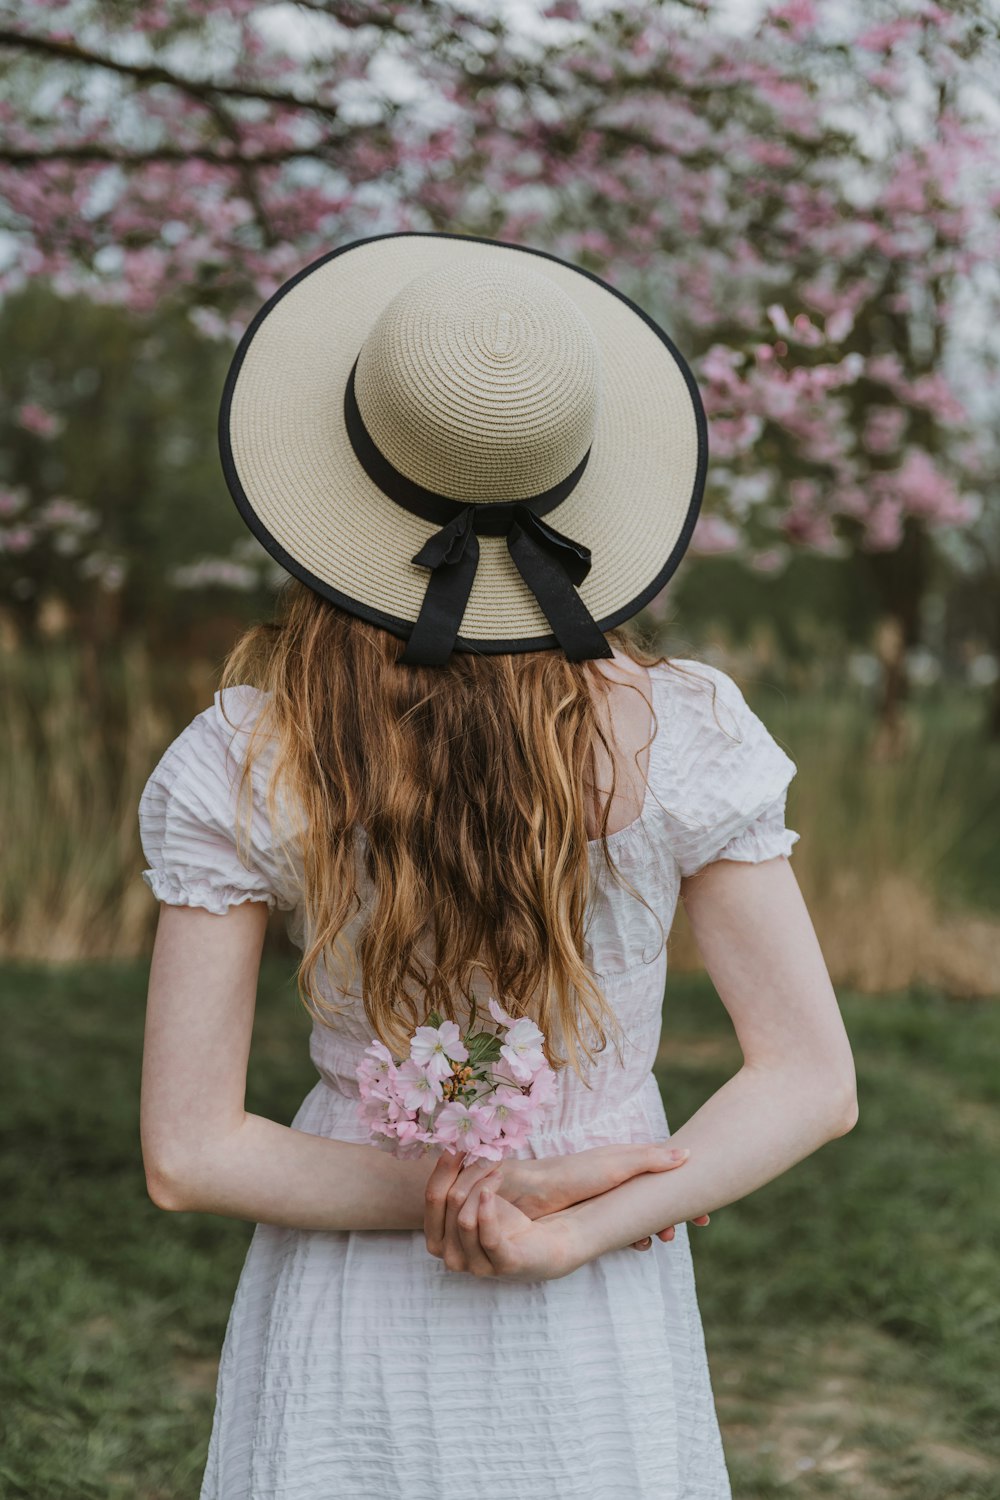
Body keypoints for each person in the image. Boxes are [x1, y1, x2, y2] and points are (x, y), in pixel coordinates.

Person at [138, 231, 858, 1500]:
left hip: (355, 1269)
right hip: (601, 1277)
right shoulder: (685, 732)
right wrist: (563, 1215)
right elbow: (809, 1080)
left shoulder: (249, 754)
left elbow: (188, 1152)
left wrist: (459, 1192)